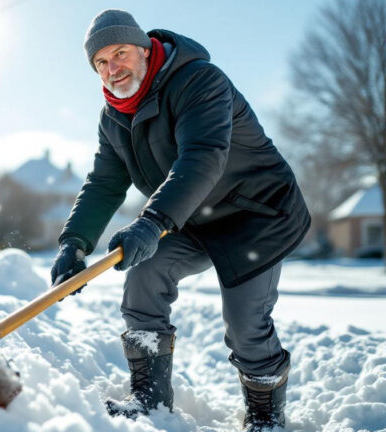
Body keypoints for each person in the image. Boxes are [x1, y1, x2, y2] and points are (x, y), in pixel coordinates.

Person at [49, 9, 310, 431]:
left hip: (256, 213)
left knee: (245, 323)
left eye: (120, 53)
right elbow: (103, 183)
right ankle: (149, 399)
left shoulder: (199, 80)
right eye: (101, 63)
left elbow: (203, 155)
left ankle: (266, 416)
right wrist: (73, 242)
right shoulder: (113, 117)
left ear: (145, 49)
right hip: (191, 216)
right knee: (144, 275)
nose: (113, 69)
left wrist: (152, 222)